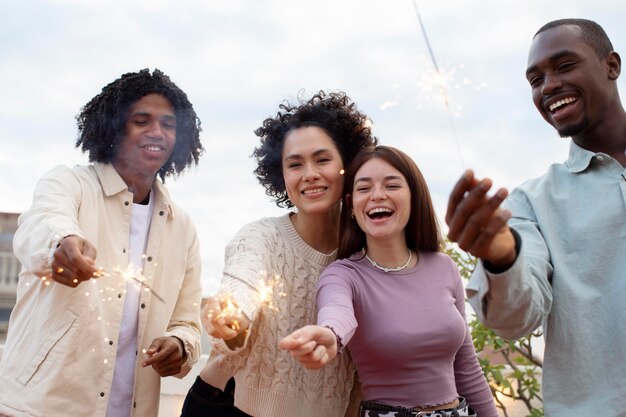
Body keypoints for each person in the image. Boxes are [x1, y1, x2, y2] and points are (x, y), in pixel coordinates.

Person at [445, 18, 626, 416]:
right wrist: (500, 256)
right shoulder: (529, 203)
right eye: (535, 79)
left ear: (611, 65)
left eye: (564, 66)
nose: (549, 86)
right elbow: (515, 320)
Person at [0, 69, 204, 417]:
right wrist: (60, 243)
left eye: (168, 124)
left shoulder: (181, 226)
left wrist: (181, 346)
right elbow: (42, 222)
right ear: (113, 126)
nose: (156, 132)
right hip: (37, 407)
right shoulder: (69, 183)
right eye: (141, 120)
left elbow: (188, 322)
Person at [180, 91, 377, 417]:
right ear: (281, 175)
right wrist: (233, 318)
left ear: (348, 165)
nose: (310, 173)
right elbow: (242, 285)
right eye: (295, 164)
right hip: (228, 405)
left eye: (323, 159)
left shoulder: (366, 252)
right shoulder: (259, 237)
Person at [280, 145, 498, 417]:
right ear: (351, 206)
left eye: (392, 185)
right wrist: (330, 335)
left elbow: (467, 367)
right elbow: (337, 313)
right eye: (363, 188)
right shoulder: (343, 274)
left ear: (413, 197)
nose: (377, 195)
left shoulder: (444, 267)